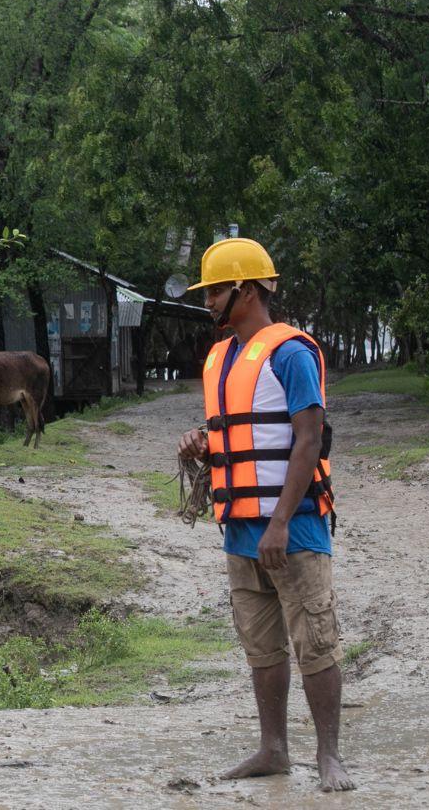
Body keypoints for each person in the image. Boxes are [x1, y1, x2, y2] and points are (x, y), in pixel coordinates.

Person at [175, 237, 354, 792]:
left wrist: (279, 522)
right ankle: (273, 749)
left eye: (214, 292)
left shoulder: (292, 353)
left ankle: (329, 757)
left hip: (292, 528)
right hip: (240, 531)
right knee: (261, 644)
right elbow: (243, 431)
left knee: (315, 640)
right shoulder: (222, 356)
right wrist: (201, 443)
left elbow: (308, 440)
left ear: (246, 290)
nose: (208, 302)